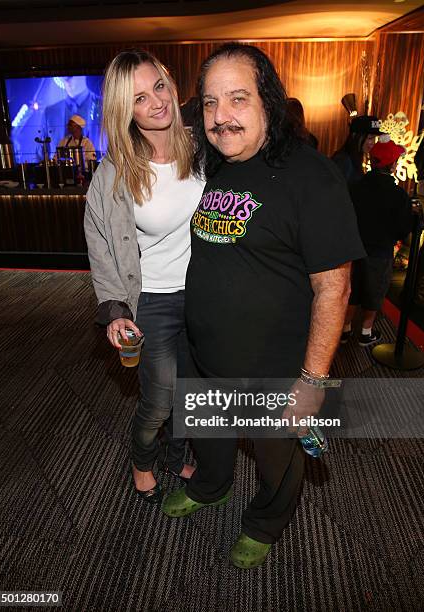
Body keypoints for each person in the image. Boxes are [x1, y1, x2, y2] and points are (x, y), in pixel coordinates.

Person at [161, 43, 365, 568]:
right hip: (204, 353)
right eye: (209, 103)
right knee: (208, 439)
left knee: (278, 464)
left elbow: (334, 289)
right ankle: (211, 487)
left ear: (268, 103)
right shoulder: (218, 162)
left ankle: (265, 523)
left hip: (274, 372)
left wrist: (313, 382)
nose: (221, 117)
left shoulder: (312, 178)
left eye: (237, 99)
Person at [84, 50, 204, 504]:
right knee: (159, 400)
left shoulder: (203, 147)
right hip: (151, 299)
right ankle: (142, 460)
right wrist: (114, 309)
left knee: (191, 394)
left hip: (203, 296)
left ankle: (176, 456)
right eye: (138, 97)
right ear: (124, 110)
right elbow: (99, 241)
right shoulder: (116, 171)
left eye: (159, 86)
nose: (156, 101)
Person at [341, 138, 412, 346]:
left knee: (352, 290)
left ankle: (345, 330)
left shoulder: (356, 186)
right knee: (375, 291)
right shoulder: (398, 195)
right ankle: (365, 332)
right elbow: (403, 228)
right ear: (392, 165)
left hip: (354, 248)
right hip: (380, 252)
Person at [42, 76, 102, 157]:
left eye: (70, 76)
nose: (65, 78)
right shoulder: (50, 112)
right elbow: (42, 153)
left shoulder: (104, 107)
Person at [332, 115, 382, 189]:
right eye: (370, 138)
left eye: (374, 138)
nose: (373, 143)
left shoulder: (354, 158)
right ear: (355, 136)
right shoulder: (344, 161)